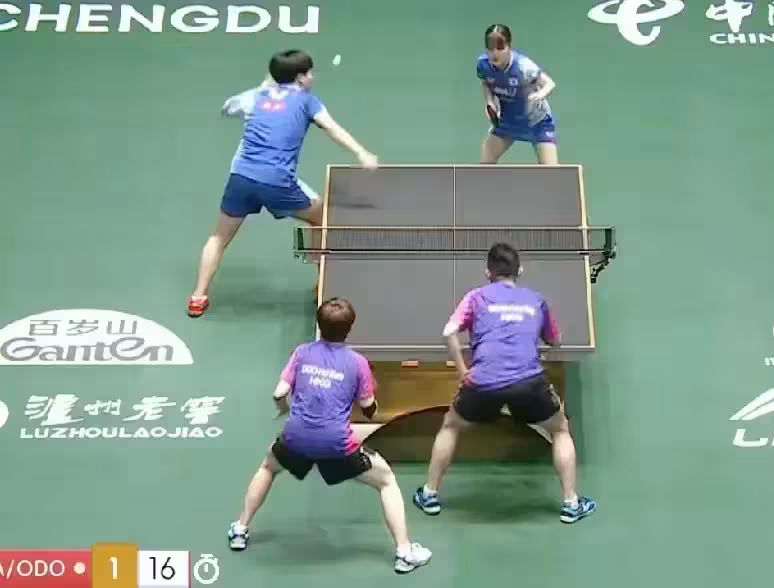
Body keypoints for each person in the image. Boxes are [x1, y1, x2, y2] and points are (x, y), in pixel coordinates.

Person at [227, 297, 433, 574]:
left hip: (295, 438)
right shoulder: (357, 363)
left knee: (268, 468)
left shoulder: (301, 353)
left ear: (319, 325)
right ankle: (404, 552)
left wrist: (284, 410)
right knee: (386, 481)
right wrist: (371, 400)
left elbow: (278, 393)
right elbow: (368, 407)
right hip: (337, 445)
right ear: (349, 328)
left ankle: (240, 529)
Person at [412, 243, 596, 524]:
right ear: (519, 271)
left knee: (451, 425)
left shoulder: (476, 297)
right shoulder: (536, 300)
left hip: (482, 383)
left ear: (488, 273)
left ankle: (429, 494)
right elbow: (555, 341)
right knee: (560, 429)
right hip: (528, 382)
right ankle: (571, 503)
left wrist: (462, 371)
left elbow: (448, 332)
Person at [188, 49, 378, 317]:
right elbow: (332, 128)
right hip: (277, 182)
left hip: (241, 178)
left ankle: (198, 297)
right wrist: (361, 152)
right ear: (299, 78)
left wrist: (262, 87)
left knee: (218, 237)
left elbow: (227, 108)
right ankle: (321, 284)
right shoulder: (308, 102)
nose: (312, 77)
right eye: (308, 73)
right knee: (323, 218)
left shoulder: (255, 96)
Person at [476, 24, 559, 165]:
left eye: (500, 47)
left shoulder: (523, 67)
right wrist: (489, 102)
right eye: (490, 48)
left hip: (536, 123)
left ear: (509, 47)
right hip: (507, 122)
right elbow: (486, 83)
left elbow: (550, 83)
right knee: (485, 163)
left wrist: (540, 94)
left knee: (552, 173)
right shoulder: (483, 65)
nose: (494, 53)